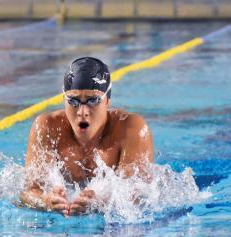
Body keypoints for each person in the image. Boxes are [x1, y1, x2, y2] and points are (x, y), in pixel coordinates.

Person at [20, 57, 153, 216]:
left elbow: (137, 195)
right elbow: (29, 192)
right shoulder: (47, 128)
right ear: (64, 100)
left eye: (93, 101)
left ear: (107, 102)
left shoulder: (131, 129)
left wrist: (102, 201)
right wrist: (46, 201)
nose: (82, 111)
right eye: (73, 101)